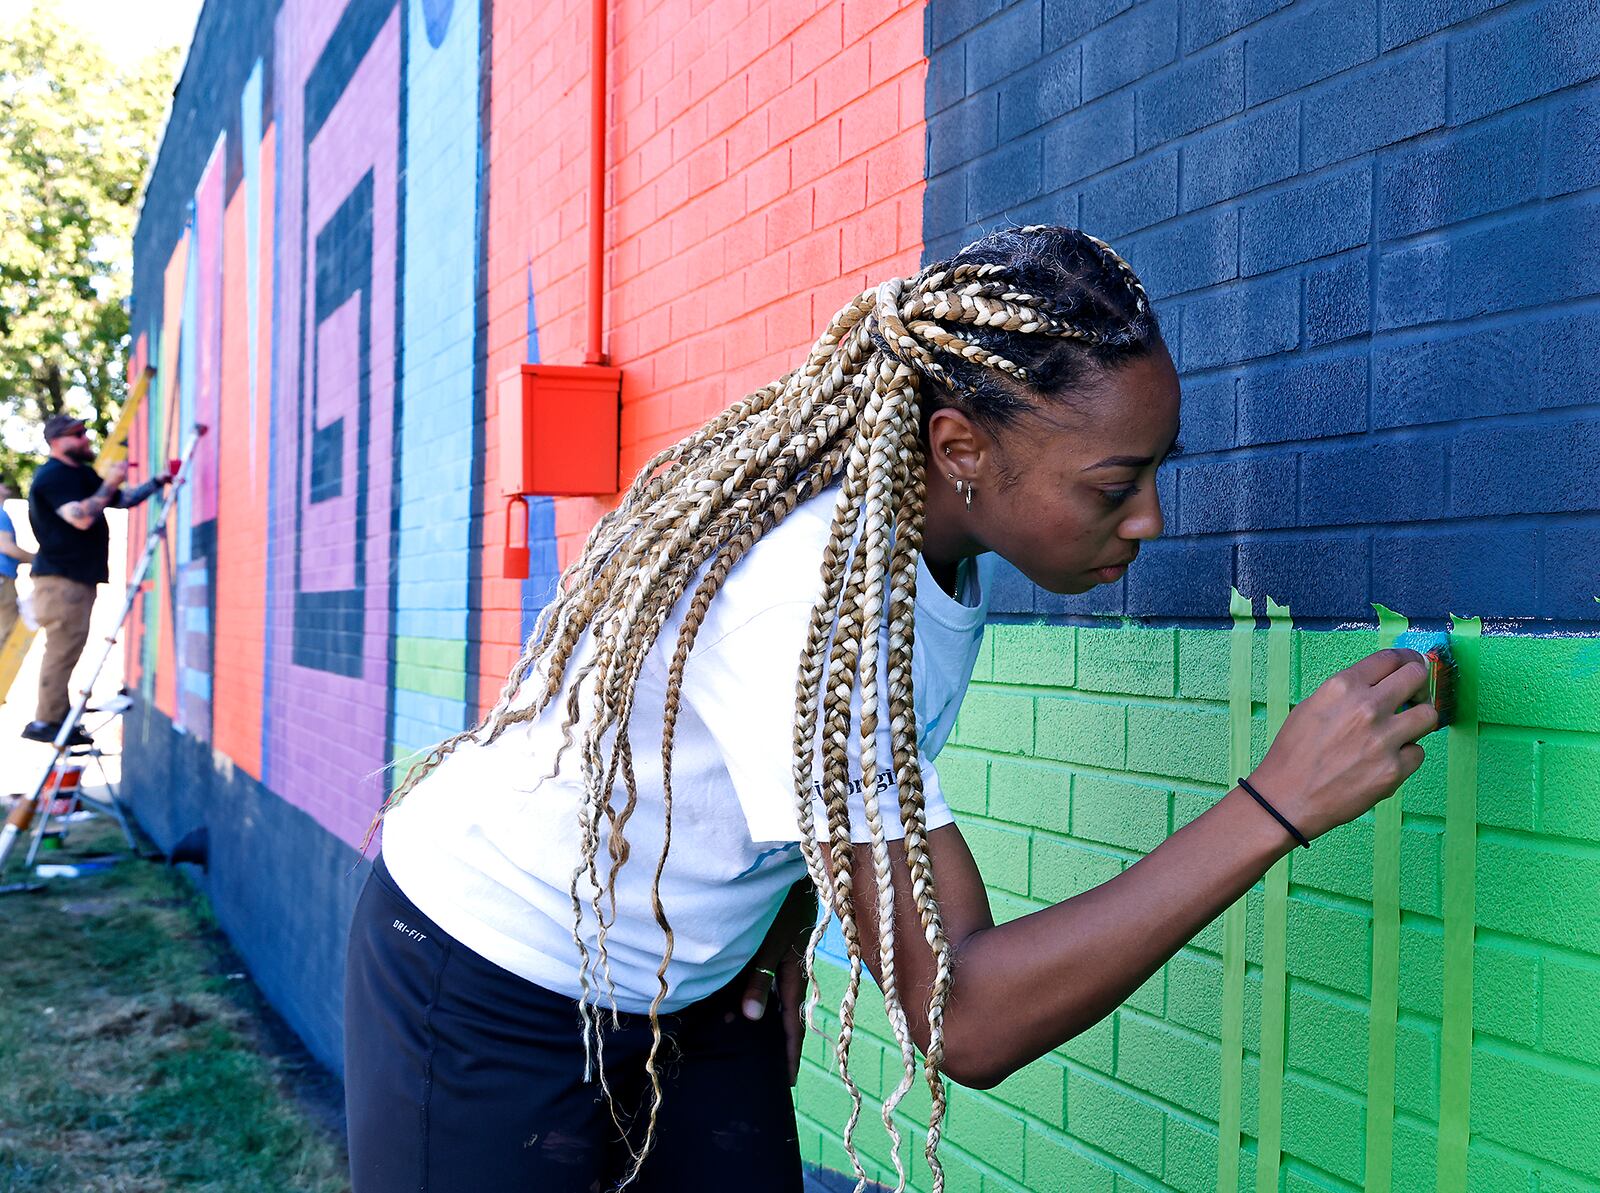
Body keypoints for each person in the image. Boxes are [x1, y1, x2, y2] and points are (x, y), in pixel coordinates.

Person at [345, 226, 1437, 1193]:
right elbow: (962, 1012)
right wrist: (1275, 803)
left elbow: (770, 781)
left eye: (1156, 470)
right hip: (482, 971)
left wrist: (768, 943)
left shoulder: (925, 534)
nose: (1148, 517)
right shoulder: (815, 593)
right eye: (1113, 485)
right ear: (961, 448)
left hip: (696, 989)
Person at [21, 414, 167, 747]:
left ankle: (56, 717)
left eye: (85, 432)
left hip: (75, 579)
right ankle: (47, 721)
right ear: (57, 442)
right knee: (61, 651)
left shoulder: (80, 474)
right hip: (61, 579)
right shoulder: (53, 476)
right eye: (77, 434)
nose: (86, 439)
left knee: (68, 649)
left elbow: (121, 501)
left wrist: (158, 481)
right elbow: (82, 518)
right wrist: (110, 482)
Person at [0, 480, 35, 646]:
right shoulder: (1, 514)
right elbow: (6, 547)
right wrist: (38, 560)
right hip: (2, 579)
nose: (5, 485)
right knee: (7, 632)